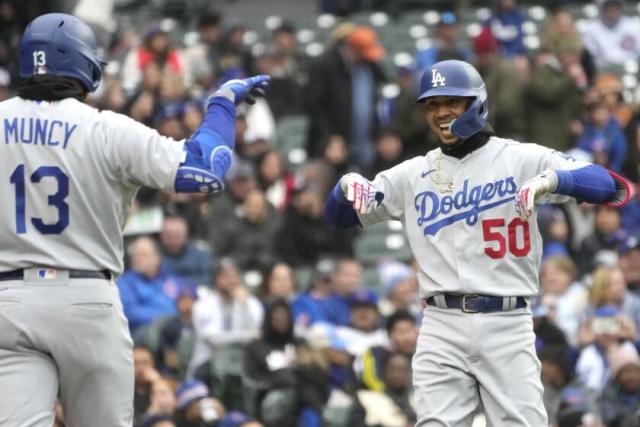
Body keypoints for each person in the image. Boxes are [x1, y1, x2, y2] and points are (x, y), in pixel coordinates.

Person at [323, 59, 632, 426]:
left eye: (452, 101)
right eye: (433, 104)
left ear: (477, 102)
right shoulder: (412, 173)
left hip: (508, 320)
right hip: (441, 323)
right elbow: (339, 218)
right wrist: (344, 187)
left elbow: (613, 187)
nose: (441, 113)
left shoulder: (520, 158)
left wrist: (555, 182)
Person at [0, 13, 269, 427]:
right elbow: (207, 168)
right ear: (84, 65)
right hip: (85, 297)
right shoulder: (106, 128)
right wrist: (221, 105)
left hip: (9, 301)